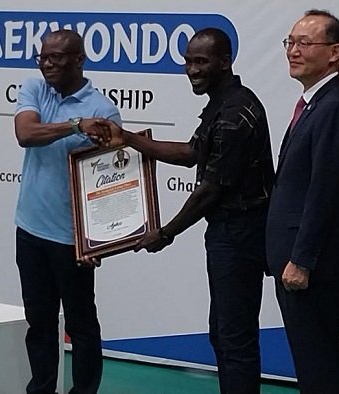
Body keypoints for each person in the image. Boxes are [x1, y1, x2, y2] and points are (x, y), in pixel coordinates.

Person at [91, 28, 274, 394]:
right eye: (189, 61)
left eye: (201, 61)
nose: (192, 69)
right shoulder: (225, 104)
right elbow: (192, 154)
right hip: (229, 235)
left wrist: (164, 232)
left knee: (234, 340)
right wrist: (128, 139)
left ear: (225, 62)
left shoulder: (236, 114)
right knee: (223, 334)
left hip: (240, 236)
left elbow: (209, 191)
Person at [13, 29, 122, 394]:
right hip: (30, 230)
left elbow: (108, 182)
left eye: (56, 58)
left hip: (72, 241)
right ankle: (41, 388)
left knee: (82, 324)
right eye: (43, 57)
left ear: (79, 59)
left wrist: (98, 241)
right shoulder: (34, 88)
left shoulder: (103, 110)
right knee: (39, 322)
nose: (47, 64)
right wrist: (75, 125)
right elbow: (25, 134)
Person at [265, 10, 339, 394]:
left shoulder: (336, 106)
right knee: (310, 363)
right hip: (292, 258)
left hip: (311, 266)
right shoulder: (313, 104)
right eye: (290, 42)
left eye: (305, 44)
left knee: (318, 364)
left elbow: (326, 190)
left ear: (335, 52)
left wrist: (302, 260)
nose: (293, 51)